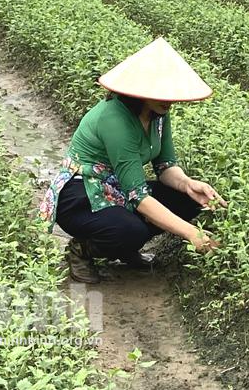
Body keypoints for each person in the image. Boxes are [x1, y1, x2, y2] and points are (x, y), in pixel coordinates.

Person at [40, 37, 226, 283]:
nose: (168, 99)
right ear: (141, 90)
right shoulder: (115, 120)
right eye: (161, 92)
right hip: (81, 194)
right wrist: (193, 234)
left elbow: (165, 166)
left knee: (188, 200)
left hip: (118, 188)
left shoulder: (158, 113)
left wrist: (187, 184)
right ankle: (83, 250)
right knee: (130, 230)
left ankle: (123, 248)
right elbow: (139, 197)